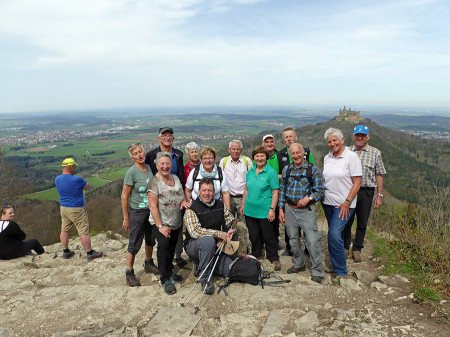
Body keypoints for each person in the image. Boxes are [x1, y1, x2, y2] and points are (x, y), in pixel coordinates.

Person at [278, 143, 325, 283]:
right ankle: (299, 264)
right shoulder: (287, 169)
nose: (296, 156)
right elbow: (282, 191)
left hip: (307, 210)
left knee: (312, 240)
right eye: (293, 154)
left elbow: (320, 191)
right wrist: (281, 209)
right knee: (293, 239)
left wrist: (309, 198)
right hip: (290, 208)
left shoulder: (313, 170)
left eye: (298, 153)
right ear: (290, 155)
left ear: (303, 153)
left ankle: (317, 271)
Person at [147, 152, 190, 295]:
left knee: (171, 249)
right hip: (161, 223)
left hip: (175, 221)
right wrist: (160, 226)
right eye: (162, 164)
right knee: (164, 250)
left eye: (167, 164)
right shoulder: (154, 181)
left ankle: (169, 271)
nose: (165, 166)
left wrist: (183, 202)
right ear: (157, 165)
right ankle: (165, 279)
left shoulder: (176, 178)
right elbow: (152, 206)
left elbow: (180, 196)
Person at [184, 178, 236, 295]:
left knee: (229, 268)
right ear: (199, 191)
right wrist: (219, 234)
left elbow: (230, 220)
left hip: (215, 247)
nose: (207, 193)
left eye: (210, 190)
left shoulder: (220, 204)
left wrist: (232, 229)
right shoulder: (192, 209)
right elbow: (195, 232)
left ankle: (200, 265)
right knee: (208, 241)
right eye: (204, 190)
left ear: (214, 192)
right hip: (195, 245)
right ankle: (205, 279)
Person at [322, 128, 362, 277]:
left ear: (342, 140)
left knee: (333, 234)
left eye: (335, 140)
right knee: (334, 235)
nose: (332, 144)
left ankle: (341, 272)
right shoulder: (327, 158)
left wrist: (347, 202)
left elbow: (357, 183)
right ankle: (335, 264)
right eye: (329, 141)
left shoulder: (351, 157)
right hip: (327, 203)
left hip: (344, 205)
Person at [145, 127, 187, 268]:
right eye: (164, 135)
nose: (168, 138)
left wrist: (183, 200)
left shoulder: (179, 154)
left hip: (175, 199)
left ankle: (175, 260)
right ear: (159, 138)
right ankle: (160, 270)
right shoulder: (151, 155)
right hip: (159, 201)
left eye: (170, 135)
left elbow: (180, 176)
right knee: (162, 243)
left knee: (175, 237)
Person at [344, 125, 386, 262]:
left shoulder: (375, 153)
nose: (360, 138)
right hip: (349, 190)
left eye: (363, 135)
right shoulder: (347, 151)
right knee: (347, 220)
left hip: (366, 191)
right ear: (353, 136)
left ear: (368, 137)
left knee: (362, 221)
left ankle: (357, 248)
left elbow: (379, 174)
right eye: (357, 135)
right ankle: (345, 246)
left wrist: (379, 195)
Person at [121, 143, 159, 287]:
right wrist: (126, 217)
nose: (139, 155)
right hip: (137, 211)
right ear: (132, 158)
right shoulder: (131, 172)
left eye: (140, 152)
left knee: (150, 238)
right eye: (136, 153)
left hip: (151, 210)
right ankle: (129, 272)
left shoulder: (149, 167)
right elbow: (124, 196)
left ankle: (148, 263)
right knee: (135, 241)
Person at [240, 146, 281, 271]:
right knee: (254, 236)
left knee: (268, 235)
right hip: (250, 210)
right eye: (257, 156)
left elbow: (275, 192)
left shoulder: (271, 172)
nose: (259, 158)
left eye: (262, 156)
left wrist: (272, 209)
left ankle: (273, 257)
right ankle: (257, 255)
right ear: (254, 158)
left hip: (265, 211)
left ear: (266, 157)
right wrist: (243, 205)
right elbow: (246, 189)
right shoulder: (250, 172)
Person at [55, 158, 103, 261]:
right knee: (83, 231)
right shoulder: (77, 179)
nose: (75, 168)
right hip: (76, 208)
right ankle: (90, 253)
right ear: (71, 166)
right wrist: (85, 183)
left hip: (64, 208)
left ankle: (65, 252)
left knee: (64, 229)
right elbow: (87, 186)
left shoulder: (57, 179)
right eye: (74, 166)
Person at [277, 127, 315, 256]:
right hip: (289, 195)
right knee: (291, 229)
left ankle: (308, 249)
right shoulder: (280, 154)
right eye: (286, 137)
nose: (288, 139)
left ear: (295, 137)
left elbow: (313, 170)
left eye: (290, 136)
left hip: (305, 196)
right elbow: (277, 174)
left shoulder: (306, 152)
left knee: (307, 228)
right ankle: (291, 249)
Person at [185, 146, 231, 210]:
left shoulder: (220, 173)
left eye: (210, 158)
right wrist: (190, 206)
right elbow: (188, 190)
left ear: (214, 159)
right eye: (205, 158)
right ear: (201, 160)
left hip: (215, 208)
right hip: (197, 208)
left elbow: (225, 193)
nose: (208, 161)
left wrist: (228, 210)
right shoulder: (195, 172)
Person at [219, 140, 253, 220]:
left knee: (245, 223)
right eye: (233, 149)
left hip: (242, 198)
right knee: (228, 223)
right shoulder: (223, 161)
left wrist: (247, 196)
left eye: (238, 149)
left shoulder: (247, 161)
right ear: (229, 150)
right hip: (228, 198)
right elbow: (220, 179)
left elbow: (251, 180)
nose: (236, 151)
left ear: (241, 150)